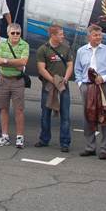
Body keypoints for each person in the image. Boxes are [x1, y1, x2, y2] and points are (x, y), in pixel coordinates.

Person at [74, 24, 106, 159]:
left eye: (100, 35)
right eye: (95, 35)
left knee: (105, 115)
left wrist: (104, 78)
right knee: (88, 116)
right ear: (89, 36)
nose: (98, 37)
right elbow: (77, 69)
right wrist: (81, 84)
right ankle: (90, 147)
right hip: (87, 86)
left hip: (103, 86)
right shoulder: (81, 51)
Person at [34, 24, 74, 152]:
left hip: (63, 86)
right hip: (49, 86)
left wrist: (65, 79)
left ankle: (65, 142)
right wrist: (52, 80)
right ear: (53, 35)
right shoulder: (43, 49)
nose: (63, 36)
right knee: (45, 114)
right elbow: (41, 68)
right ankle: (44, 139)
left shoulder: (66, 48)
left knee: (65, 115)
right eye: (60, 34)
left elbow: (70, 65)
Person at [0, 23, 30, 148]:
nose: (15, 35)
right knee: (3, 108)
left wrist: (5, 61)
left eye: (18, 33)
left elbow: (23, 62)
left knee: (19, 109)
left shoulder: (25, 45)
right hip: (3, 79)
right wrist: (13, 63)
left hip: (17, 81)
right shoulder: (2, 44)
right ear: (8, 33)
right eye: (13, 33)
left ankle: (20, 137)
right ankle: (5, 136)